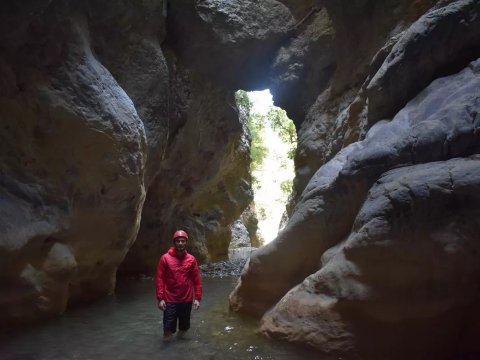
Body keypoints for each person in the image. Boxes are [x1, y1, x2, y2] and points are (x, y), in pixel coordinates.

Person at [156, 229, 202, 341]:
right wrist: (160, 299)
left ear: (186, 243)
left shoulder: (191, 259)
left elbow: (196, 280)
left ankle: (180, 349)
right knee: (167, 330)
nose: (180, 243)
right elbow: (159, 279)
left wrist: (197, 298)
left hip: (186, 300)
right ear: (174, 243)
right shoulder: (165, 258)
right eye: (178, 241)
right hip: (170, 299)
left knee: (184, 328)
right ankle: (167, 352)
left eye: (182, 241)